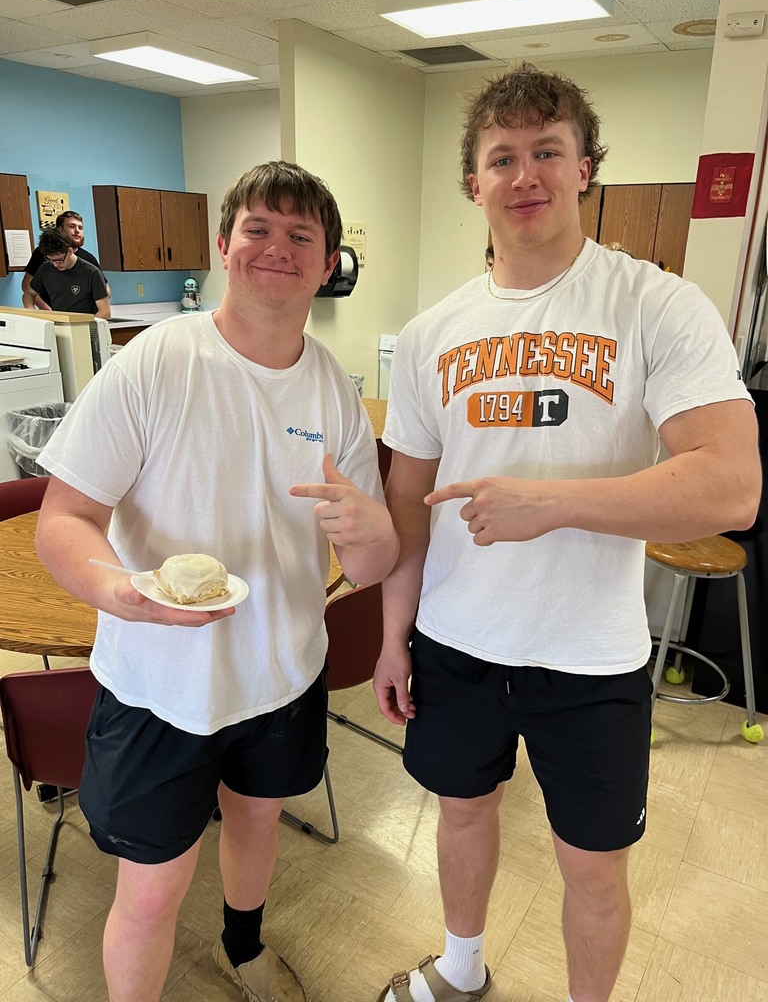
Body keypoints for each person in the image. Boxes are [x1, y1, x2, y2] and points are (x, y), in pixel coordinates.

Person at [373, 62, 761, 1002]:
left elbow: (732, 486)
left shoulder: (655, 305)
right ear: (473, 181)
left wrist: (555, 505)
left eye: (548, 149)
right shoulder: (432, 334)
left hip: (589, 657)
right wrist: (391, 637)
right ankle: (461, 971)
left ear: (586, 167)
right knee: (462, 817)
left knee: (593, 868)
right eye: (501, 156)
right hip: (456, 644)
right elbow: (407, 509)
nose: (525, 174)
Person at [35, 160, 399, 1002]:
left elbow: (372, 565)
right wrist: (120, 591)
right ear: (225, 245)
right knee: (153, 886)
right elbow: (65, 521)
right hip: (162, 684)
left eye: (301, 235)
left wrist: (375, 532)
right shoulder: (156, 362)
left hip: (280, 675)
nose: (278, 248)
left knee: (257, 824)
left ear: (328, 260)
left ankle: (244, 947)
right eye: (259, 229)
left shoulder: (334, 392)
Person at [22, 209, 109, 308]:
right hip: (52, 314)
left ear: (70, 252)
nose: (77, 231)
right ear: (60, 229)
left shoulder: (89, 259)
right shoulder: (43, 254)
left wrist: (100, 299)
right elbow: (27, 287)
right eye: (71, 226)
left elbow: (106, 289)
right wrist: (45, 308)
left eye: (80, 227)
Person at [29, 228, 111, 319]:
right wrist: (30, 309)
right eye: (51, 260)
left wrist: (85, 327)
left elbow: (105, 312)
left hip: (84, 327)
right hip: (59, 325)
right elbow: (29, 293)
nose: (55, 264)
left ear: (70, 251)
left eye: (59, 260)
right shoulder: (45, 268)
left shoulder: (92, 272)